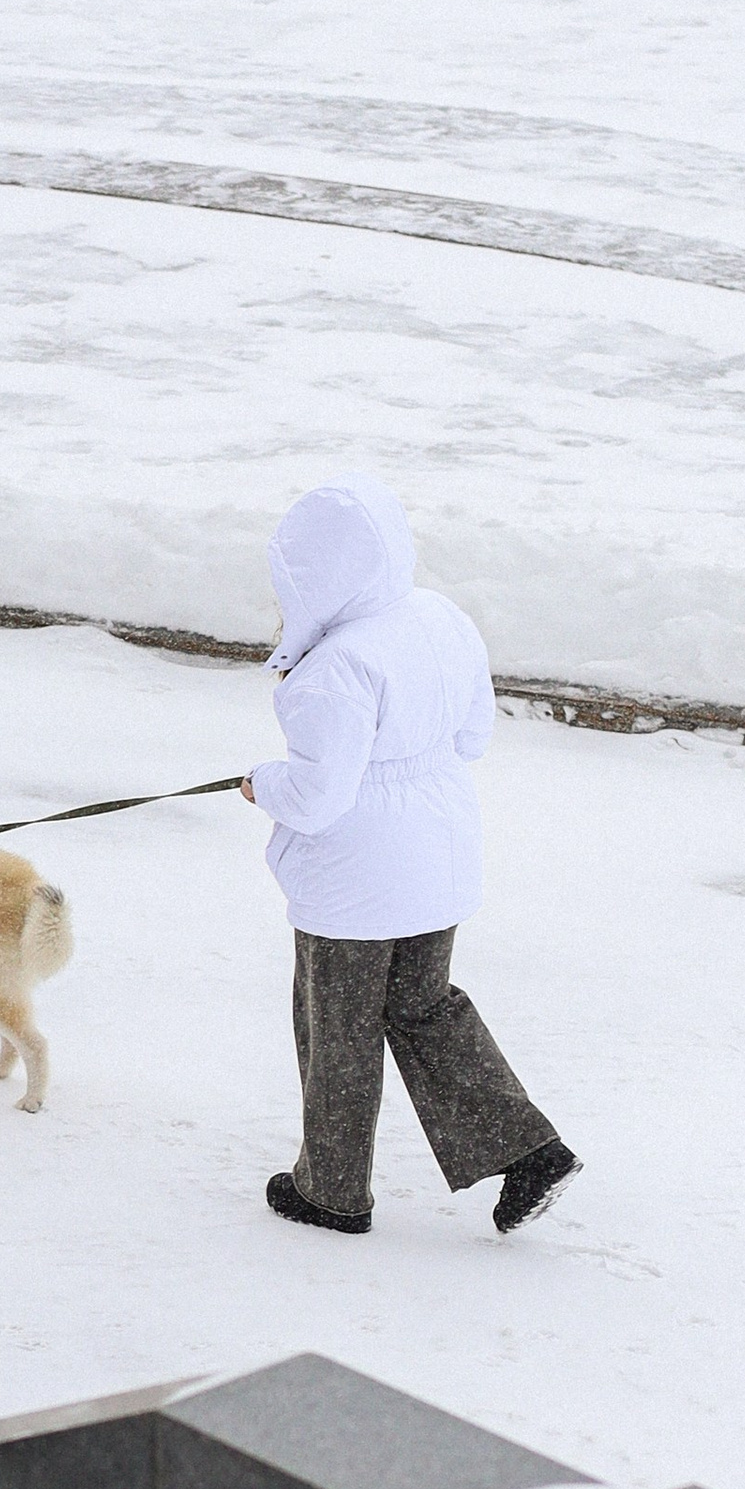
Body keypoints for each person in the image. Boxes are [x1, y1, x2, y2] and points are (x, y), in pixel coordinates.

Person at [240, 473, 577, 1237]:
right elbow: (472, 737)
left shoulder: (334, 668)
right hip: (440, 861)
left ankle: (331, 1189)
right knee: (425, 1007)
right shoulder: (439, 617)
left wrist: (264, 783)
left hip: (356, 884)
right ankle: (529, 1148)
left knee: (340, 1028)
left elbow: (321, 797)